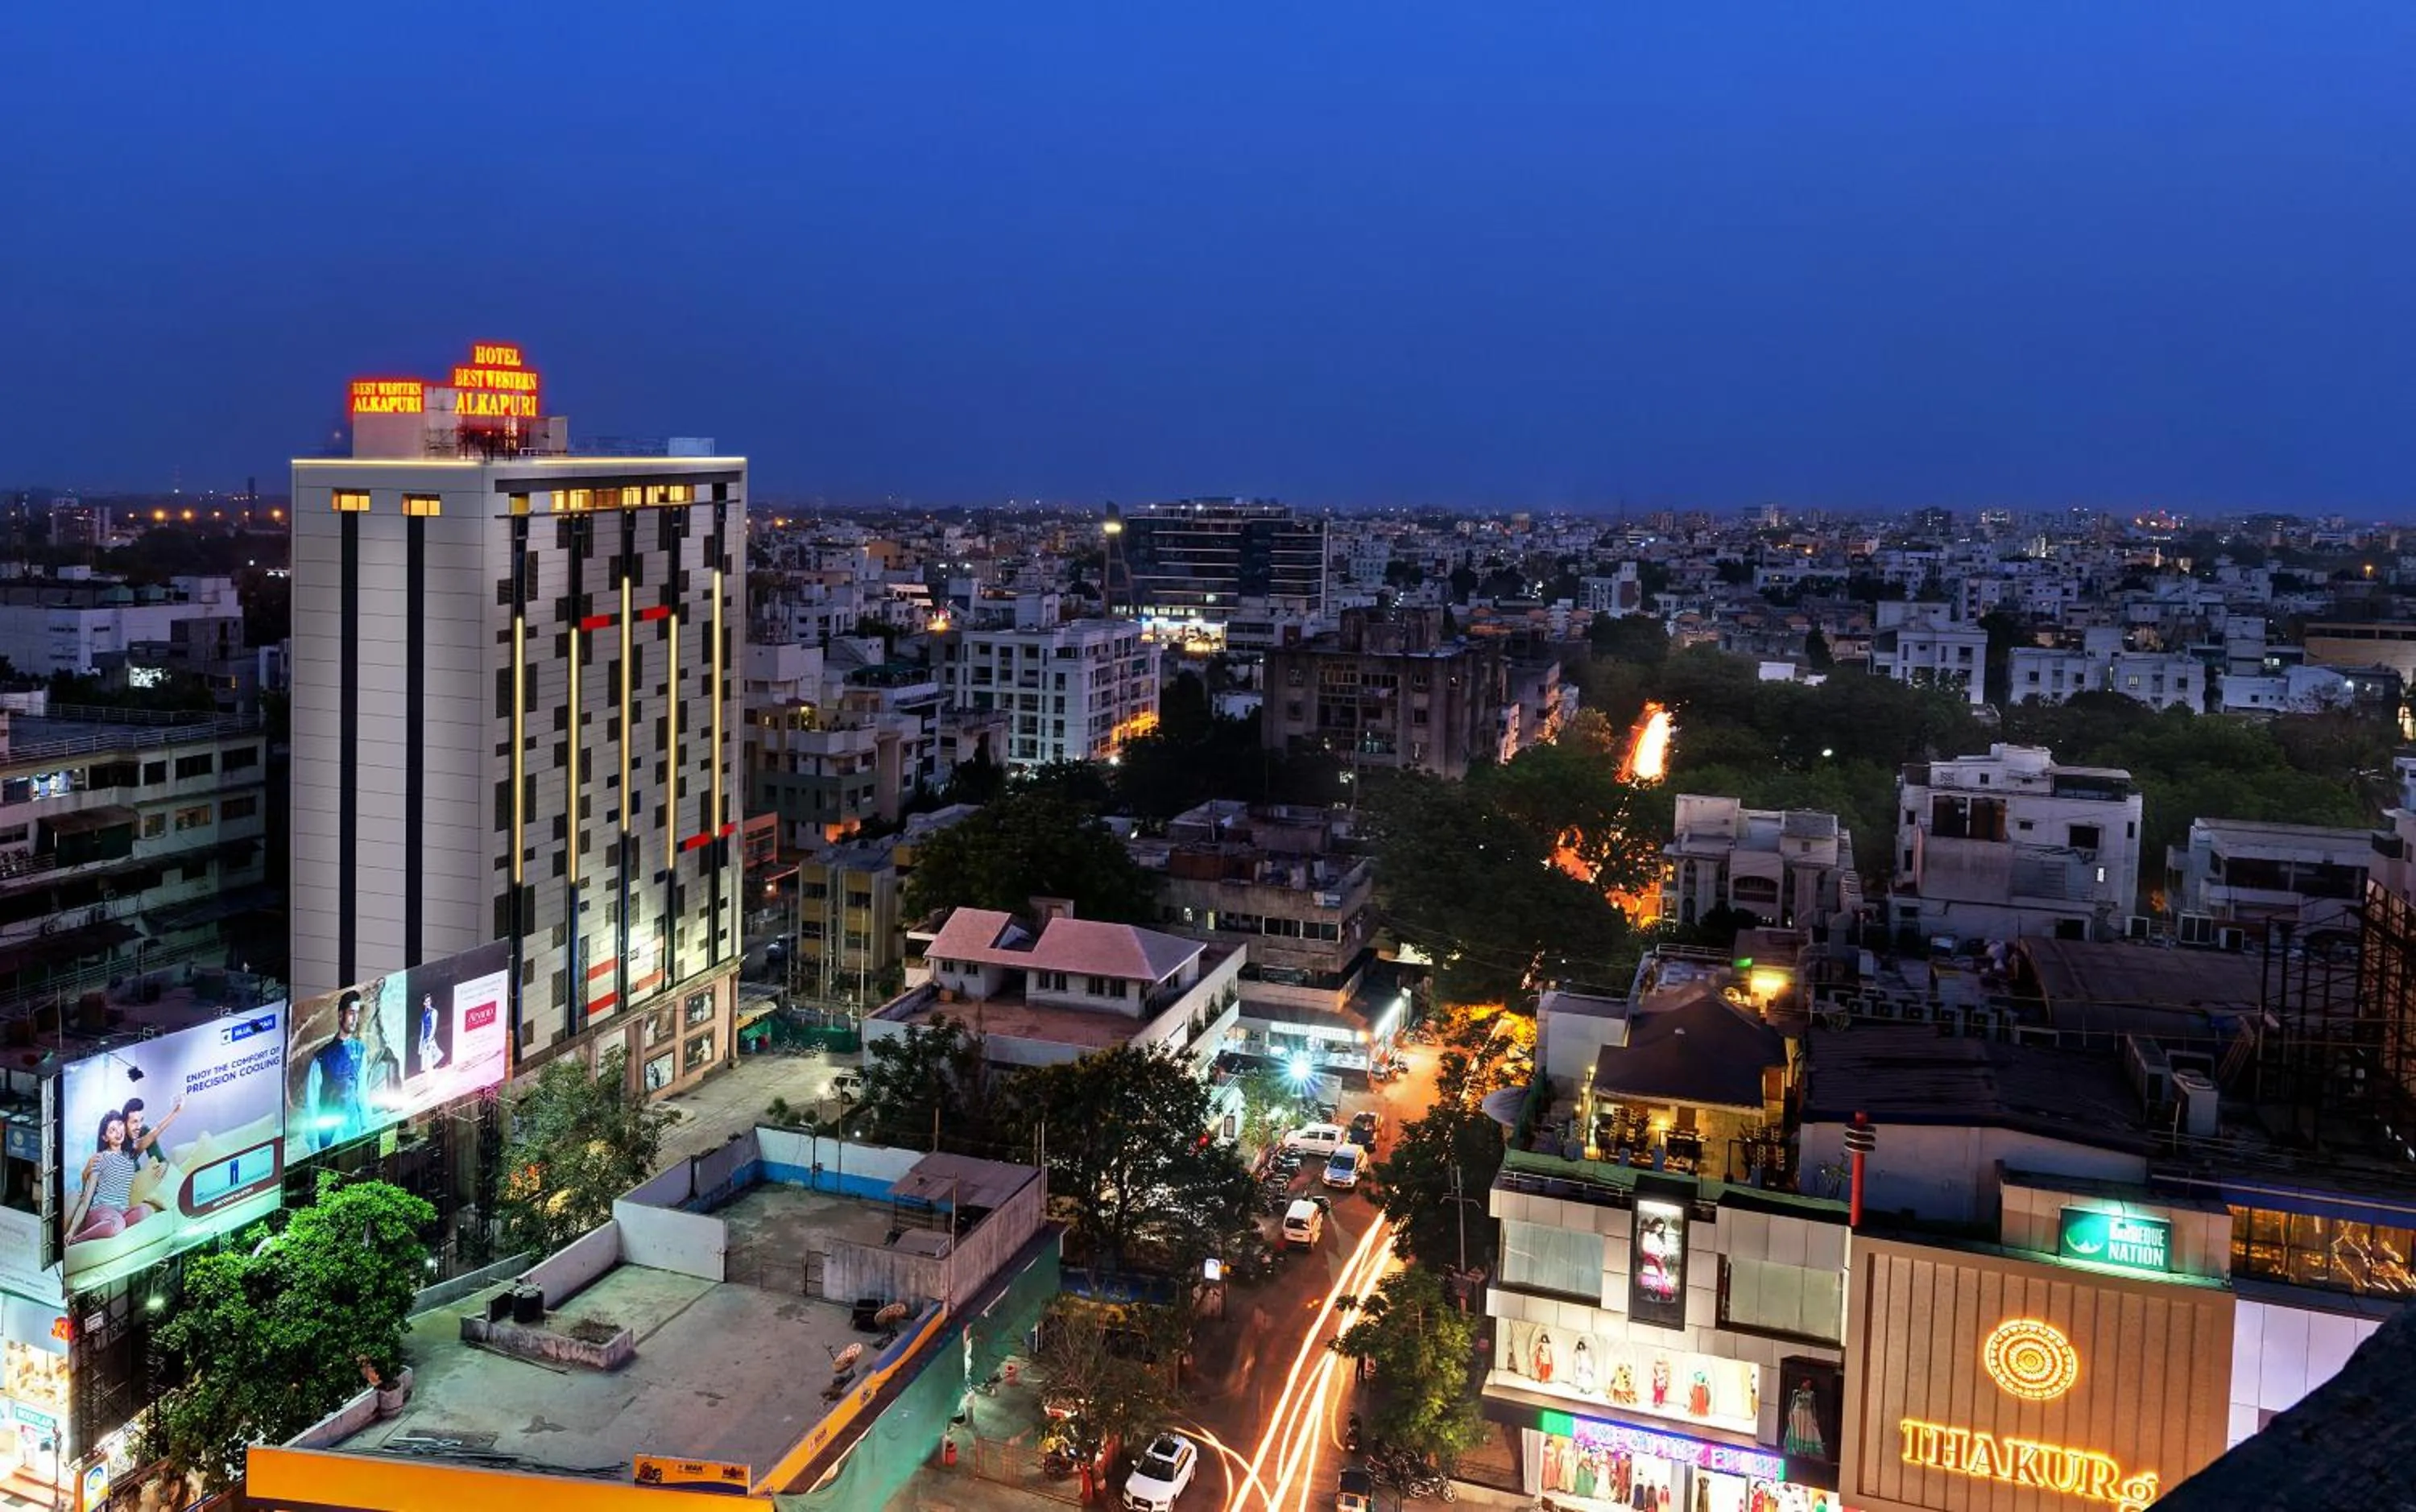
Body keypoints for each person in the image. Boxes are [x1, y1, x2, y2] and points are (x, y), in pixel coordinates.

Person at [64, 1093, 183, 1243]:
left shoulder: (131, 1154)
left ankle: (112, 1227)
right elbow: (86, 1200)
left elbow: (156, 1131)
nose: (118, 1131)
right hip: (100, 1212)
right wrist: (71, 1230)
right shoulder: (100, 1159)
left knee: (144, 1211)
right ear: (105, 1138)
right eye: (112, 1130)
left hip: (121, 1212)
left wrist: (176, 1111)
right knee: (116, 1224)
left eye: (119, 1125)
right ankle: (78, 1239)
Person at [416, 991, 445, 1076]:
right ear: (424, 1003)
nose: (428, 1003)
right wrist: (420, 1046)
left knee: (431, 1061)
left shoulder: (434, 1012)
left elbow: (434, 1027)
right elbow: (422, 1030)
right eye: (426, 1001)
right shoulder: (424, 1014)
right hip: (425, 1041)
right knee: (426, 1064)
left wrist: (429, 1040)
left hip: (430, 1040)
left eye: (429, 1001)